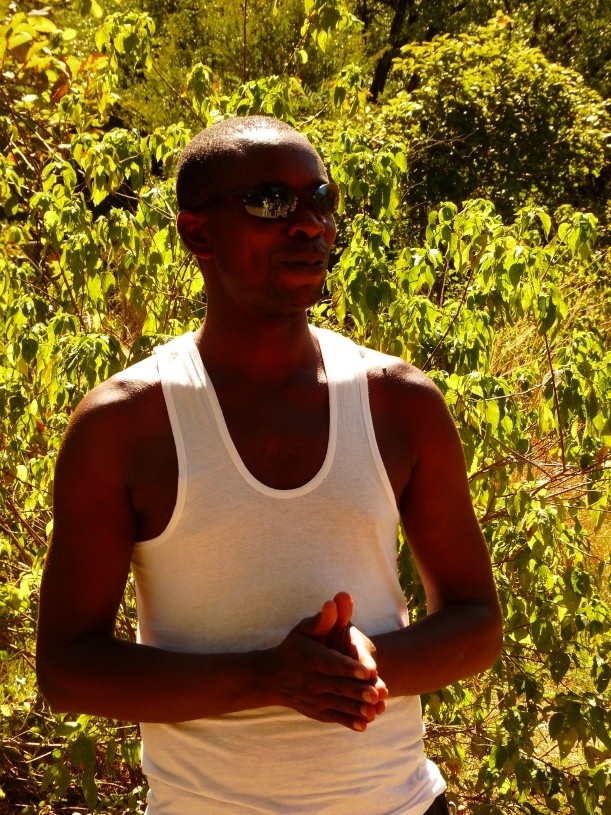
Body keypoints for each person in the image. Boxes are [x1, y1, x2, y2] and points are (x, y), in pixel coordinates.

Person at [36, 115, 503, 815]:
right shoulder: (125, 424)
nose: (309, 224)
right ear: (197, 233)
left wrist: (360, 667)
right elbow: (68, 669)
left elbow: (477, 620)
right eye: (270, 202)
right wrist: (268, 678)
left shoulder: (398, 402)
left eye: (321, 199)